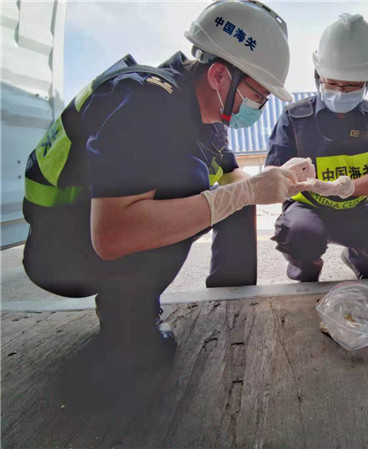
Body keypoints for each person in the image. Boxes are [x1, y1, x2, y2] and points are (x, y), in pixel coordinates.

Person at [22, 0, 314, 365]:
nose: (258, 105)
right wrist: (246, 192)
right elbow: (112, 235)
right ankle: (126, 327)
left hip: (80, 231)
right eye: (258, 95)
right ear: (220, 77)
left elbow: (233, 177)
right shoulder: (147, 104)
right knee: (194, 184)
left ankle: (228, 291)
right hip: (59, 253)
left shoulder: (203, 116)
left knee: (229, 196)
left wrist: (279, 181)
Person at [265, 13, 368, 282]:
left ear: (365, 82)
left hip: (356, 209)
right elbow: (273, 173)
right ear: (318, 75)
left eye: (351, 86)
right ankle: (306, 271)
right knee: (301, 234)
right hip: (307, 209)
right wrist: (297, 181)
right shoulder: (295, 117)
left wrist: (346, 188)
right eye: (331, 82)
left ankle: (359, 259)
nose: (340, 91)